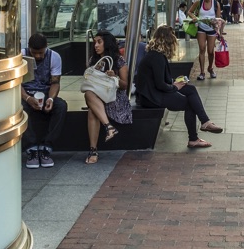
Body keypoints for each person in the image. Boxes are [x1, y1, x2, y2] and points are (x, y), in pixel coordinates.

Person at [135, 24, 222, 147]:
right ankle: (194, 138)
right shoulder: (157, 57)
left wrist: (175, 82)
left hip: (152, 93)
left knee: (190, 89)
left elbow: (161, 80)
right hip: (151, 97)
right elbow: (160, 85)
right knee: (189, 103)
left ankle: (205, 122)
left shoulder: (156, 55)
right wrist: (175, 87)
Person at [83, 31, 132, 164]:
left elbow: (124, 86)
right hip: (97, 96)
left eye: (99, 42)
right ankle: (108, 127)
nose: (96, 46)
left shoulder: (118, 60)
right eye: (95, 43)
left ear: (107, 43)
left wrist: (114, 77)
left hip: (114, 98)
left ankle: (94, 150)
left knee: (92, 109)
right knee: (89, 94)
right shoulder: (93, 60)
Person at [21, 33, 68, 168]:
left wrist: (51, 99)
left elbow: (55, 83)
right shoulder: (21, 56)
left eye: (40, 53)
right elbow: (16, 83)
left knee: (61, 106)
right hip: (26, 93)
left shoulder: (54, 57)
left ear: (46, 48)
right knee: (19, 108)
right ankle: (32, 149)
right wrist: (27, 98)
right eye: (34, 53)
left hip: (46, 93)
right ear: (29, 48)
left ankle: (46, 147)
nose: (37, 56)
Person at [188, 0, 220, 80]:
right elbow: (190, 11)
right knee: (202, 49)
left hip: (211, 29)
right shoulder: (199, 2)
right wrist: (194, 17)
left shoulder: (215, 4)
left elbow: (218, 19)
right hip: (201, 28)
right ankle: (202, 72)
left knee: (210, 51)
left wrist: (219, 32)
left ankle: (210, 68)